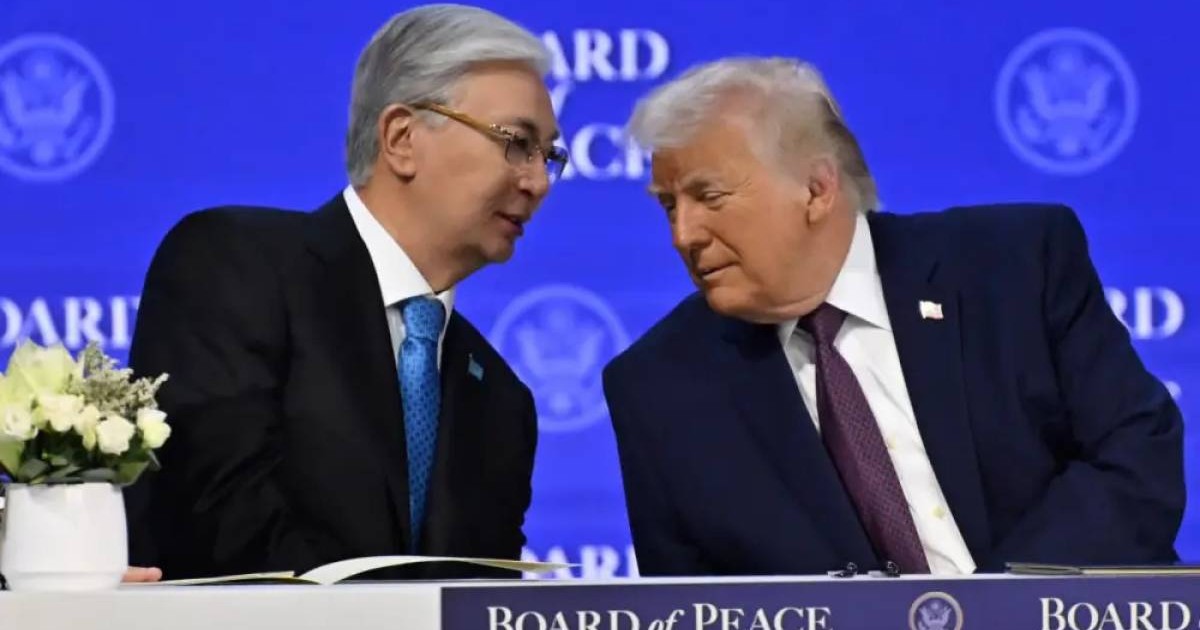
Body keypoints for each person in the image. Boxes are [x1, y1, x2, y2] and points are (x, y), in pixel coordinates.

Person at [602, 57, 1185, 576]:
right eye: (668, 205)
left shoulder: (1014, 268)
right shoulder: (660, 387)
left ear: (816, 188)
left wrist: (994, 612)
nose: (683, 235)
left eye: (709, 197)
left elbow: (1135, 458)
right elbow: (693, 607)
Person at [125, 4, 565, 579]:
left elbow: (477, 599)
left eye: (549, 156)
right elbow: (221, 528)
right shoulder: (236, 267)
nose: (537, 182)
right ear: (402, 138)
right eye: (517, 143)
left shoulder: (501, 400)